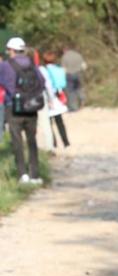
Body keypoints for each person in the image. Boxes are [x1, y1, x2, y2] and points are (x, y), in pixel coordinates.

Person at [0, 37, 45, 185]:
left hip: (13, 107)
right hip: (32, 106)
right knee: (32, 140)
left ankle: (22, 175)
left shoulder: (5, 66)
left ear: (11, 50)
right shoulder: (32, 64)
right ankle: (35, 175)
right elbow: (42, 82)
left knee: (17, 141)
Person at [40, 51, 70, 149]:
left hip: (49, 97)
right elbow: (63, 83)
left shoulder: (43, 70)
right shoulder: (60, 70)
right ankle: (66, 142)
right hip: (58, 96)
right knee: (60, 121)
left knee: (49, 123)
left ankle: (54, 143)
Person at [60, 45, 86, 111]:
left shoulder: (64, 57)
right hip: (78, 74)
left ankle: (73, 107)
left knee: (71, 91)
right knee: (79, 88)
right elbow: (84, 66)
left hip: (69, 75)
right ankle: (82, 101)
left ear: (64, 50)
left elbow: (64, 69)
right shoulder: (78, 55)